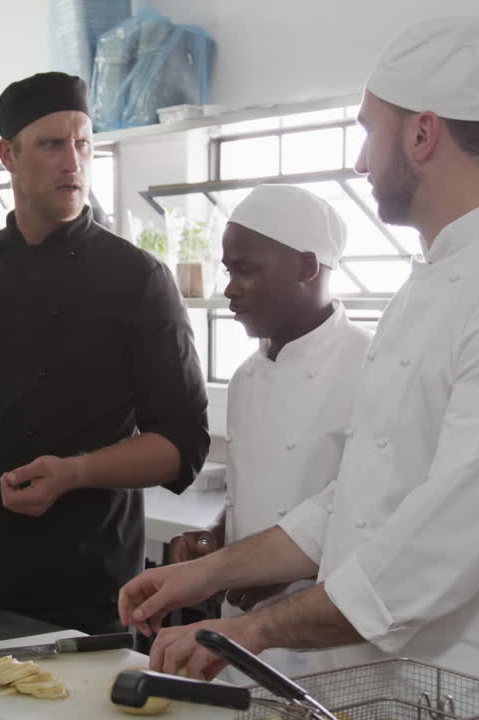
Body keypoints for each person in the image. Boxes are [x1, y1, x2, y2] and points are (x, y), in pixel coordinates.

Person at [118, 16, 479, 716]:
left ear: (423, 134)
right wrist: (207, 573)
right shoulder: (424, 287)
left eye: (369, 131)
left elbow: (439, 546)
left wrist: (251, 632)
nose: (362, 163)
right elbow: (354, 505)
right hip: (389, 691)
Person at [0, 71, 210, 635]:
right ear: (7, 156)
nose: (73, 162)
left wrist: (75, 472)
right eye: (51, 144)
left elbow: (183, 444)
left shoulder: (137, 279)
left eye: (83, 142)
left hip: (90, 582)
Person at [166, 184, 372, 679]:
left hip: (326, 651)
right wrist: (215, 542)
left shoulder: (374, 367)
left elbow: (372, 522)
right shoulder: (245, 379)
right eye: (228, 269)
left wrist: (266, 572)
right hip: (235, 642)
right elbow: (251, 495)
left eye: (245, 268)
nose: (230, 287)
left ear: (307, 268)